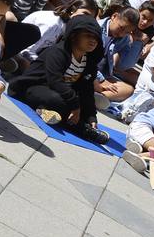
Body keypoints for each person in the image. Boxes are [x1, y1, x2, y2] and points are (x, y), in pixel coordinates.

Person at [7, 15, 110, 145]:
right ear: (74, 35)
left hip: (59, 92)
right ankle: (83, 130)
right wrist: (75, 106)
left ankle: (44, 110)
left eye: (96, 37)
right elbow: (55, 81)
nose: (93, 41)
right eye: (88, 36)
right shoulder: (58, 52)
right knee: (60, 101)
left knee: (78, 104)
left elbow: (87, 89)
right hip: (32, 87)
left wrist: (91, 116)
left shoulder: (89, 62)